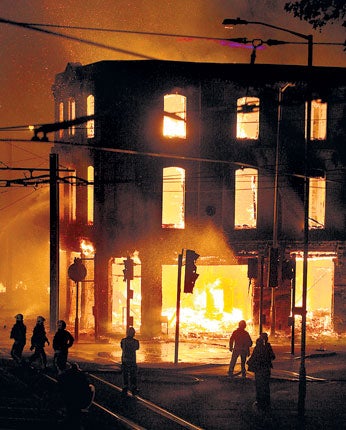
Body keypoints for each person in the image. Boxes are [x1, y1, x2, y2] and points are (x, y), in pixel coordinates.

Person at [57, 362, 95, 429]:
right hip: (80, 400)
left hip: (71, 399)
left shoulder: (65, 376)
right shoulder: (82, 376)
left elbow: (60, 382)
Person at [247, 332, 276, 413]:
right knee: (266, 386)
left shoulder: (257, 348)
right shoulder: (268, 347)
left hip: (259, 369)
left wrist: (249, 362)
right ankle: (267, 402)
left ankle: (260, 402)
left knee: (259, 385)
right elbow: (273, 357)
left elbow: (253, 357)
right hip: (266, 369)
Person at [120, 326, 140, 395]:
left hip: (125, 360)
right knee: (133, 374)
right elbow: (137, 348)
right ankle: (133, 387)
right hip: (132, 360)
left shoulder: (123, 341)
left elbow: (122, 347)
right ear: (134, 334)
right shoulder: (136, 342)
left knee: (125, 374)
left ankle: (125, 386)